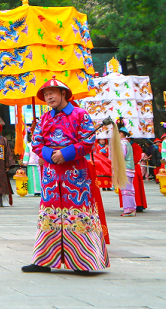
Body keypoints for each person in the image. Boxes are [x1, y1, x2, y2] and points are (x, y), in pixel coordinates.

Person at [22, 79, 109, 275]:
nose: (49, 97)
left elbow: (89, 141)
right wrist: (50, 155)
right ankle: (42, 260)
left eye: (52, 93)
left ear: (64, 94)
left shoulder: (80, 115)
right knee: (49, 215)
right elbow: (36, 143)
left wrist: (66, 154)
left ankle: (83, 261)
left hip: (76, 174)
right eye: (45, 94)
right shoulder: (44, 119)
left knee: (77, 215)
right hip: (52, 175)